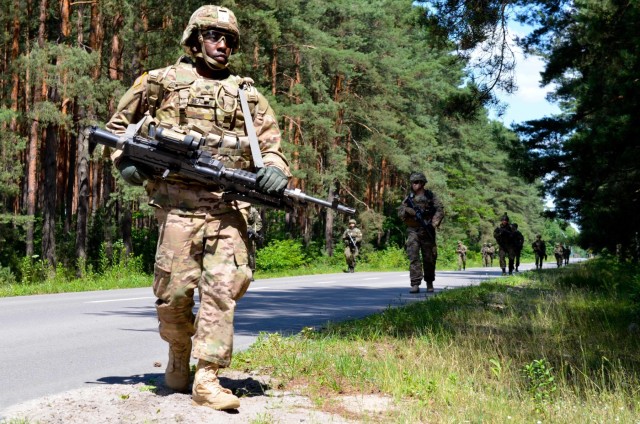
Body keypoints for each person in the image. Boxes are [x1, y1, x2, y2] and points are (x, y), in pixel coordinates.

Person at [105, 5, 291, 411]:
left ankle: (208, 377)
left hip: (228, 206)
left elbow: (271, 148)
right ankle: (178, 353)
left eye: (228, 39)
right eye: (213, 36)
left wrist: (276, 170)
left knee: (222, 289)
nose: (222, 44)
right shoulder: (158, 82)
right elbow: (117, 129)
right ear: (194, 39)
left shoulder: (247, 95)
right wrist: (127, 164)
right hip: (177, 208)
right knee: (173, 297)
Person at [398, 172, 445, 294]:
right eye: (413, 182)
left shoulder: (430, 196)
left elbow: (440, 210)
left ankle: (429, 282)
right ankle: (415, 284)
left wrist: (433, 223)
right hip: (413, 231)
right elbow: (400, 212)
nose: (415, 185)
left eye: (418, 182)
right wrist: (408, 211)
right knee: (413, 257)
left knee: (429, 258)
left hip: (427, 230)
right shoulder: (409, 198)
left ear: (423, 183)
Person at [247, 206, 263, 275]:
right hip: (238, 236)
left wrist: (254, 231)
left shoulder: (253, 210)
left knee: (251, 255)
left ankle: (251, 272)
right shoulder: (237, 209)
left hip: (250, 236)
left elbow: (259, 224)